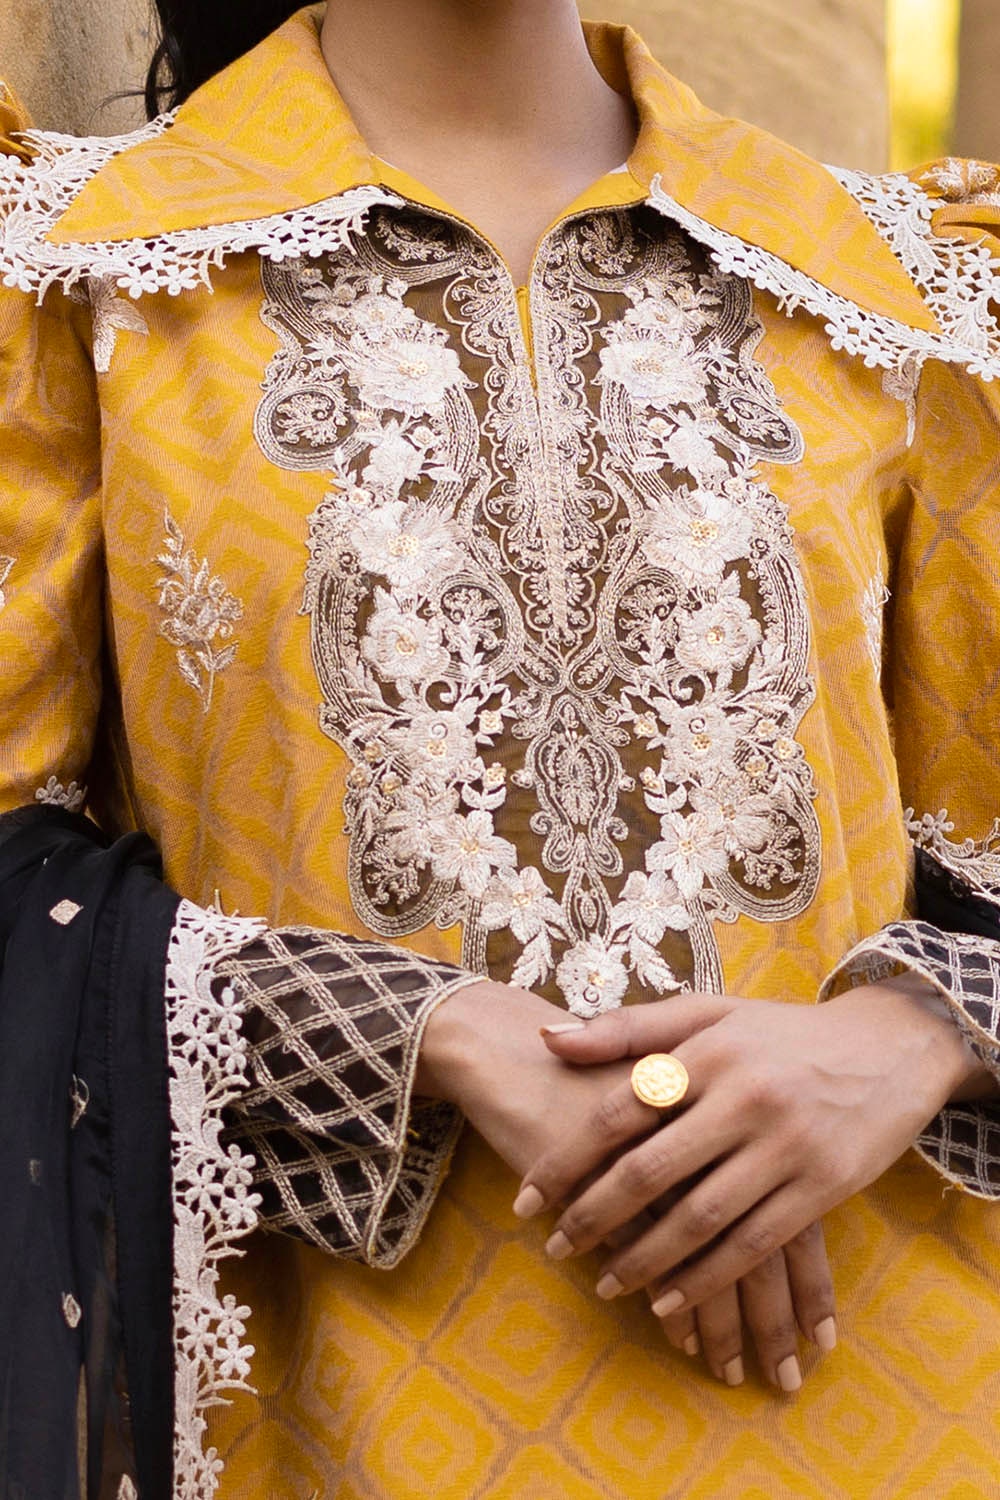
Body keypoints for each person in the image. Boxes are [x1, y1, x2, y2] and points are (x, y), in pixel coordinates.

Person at [2, 2, 1000, 1496]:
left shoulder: (900, 288)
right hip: (346, 1423)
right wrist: (433, 1036)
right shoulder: (78, 279)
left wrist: (911, 1036)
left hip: (913, 1406)